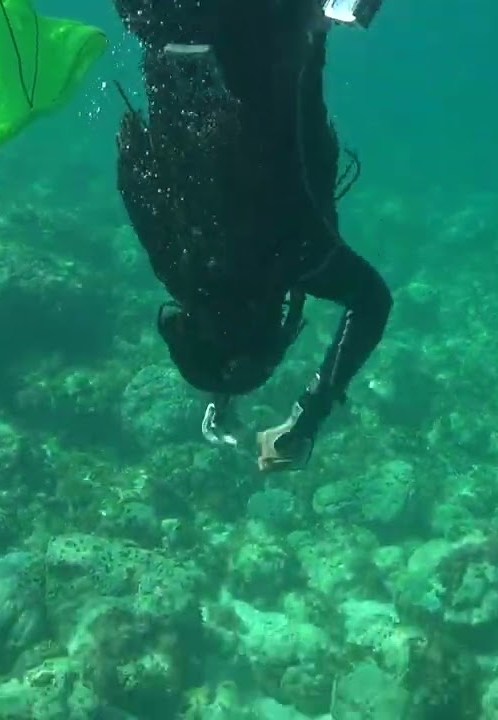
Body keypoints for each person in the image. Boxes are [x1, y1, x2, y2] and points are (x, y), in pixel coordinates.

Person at [113, 0, 393, 471]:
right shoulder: (177, 245)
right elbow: (218, 310)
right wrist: (223, 380)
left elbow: (373, 303)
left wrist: (307, 419)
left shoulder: (296, 252)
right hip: (165, 18)